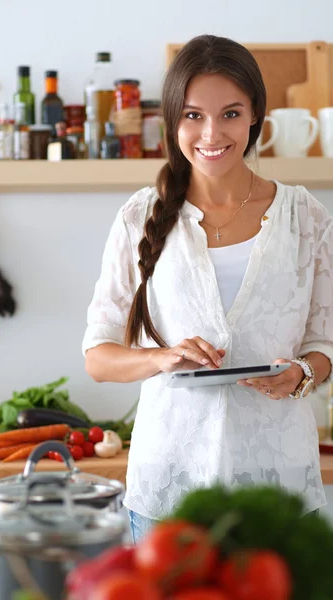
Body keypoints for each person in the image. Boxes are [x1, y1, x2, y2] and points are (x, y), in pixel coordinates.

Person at [82, 34, 333, 543]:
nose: (212, 133)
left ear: (256, 116)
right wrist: (162, 358)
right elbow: (98, 356)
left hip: (278, 489)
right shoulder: (139, 217)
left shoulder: (304, 216)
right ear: (172, 120)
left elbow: (326, 341)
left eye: (231, 114)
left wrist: (303, 372)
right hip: (168, 493)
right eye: (193, 115)